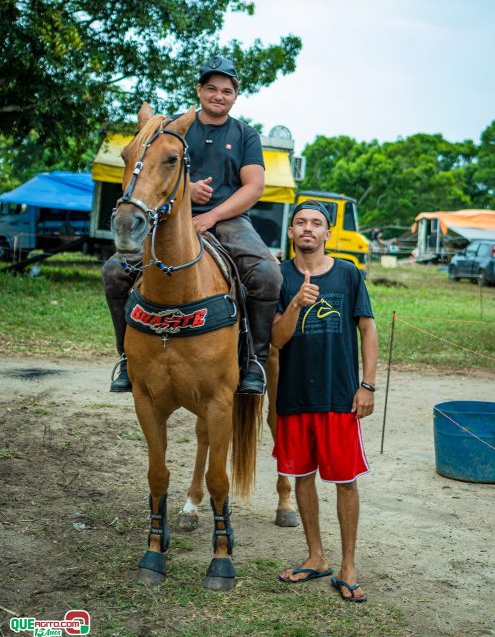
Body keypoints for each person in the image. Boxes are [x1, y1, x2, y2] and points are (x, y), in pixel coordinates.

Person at [103, 56, 282, 395]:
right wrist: (189, 191)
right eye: (212, 88)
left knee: (267, 275)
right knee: (115, 271)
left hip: (228, 220)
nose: (219, 95)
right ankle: (126, 358)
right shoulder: (172, 128)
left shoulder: (246, 135)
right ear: (199, 90)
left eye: (227, 90)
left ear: (235, 96)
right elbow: (152, 168)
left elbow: (254, 187)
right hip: (171, 221)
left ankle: (254, 362)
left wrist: (212, 216)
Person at [271, 200, 378, 602]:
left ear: (327, 233)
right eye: (301, 223)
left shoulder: (348, 274)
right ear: (292, 232)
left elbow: (367, 329)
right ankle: (316, 556)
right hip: (295, 396)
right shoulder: (279, 277)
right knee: (302, 477)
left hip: (339, 396)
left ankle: (348, 566)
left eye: (317, 223)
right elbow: (276, 340)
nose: (308, 229)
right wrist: (297, 302)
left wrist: (367, 385)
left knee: (345, 481)